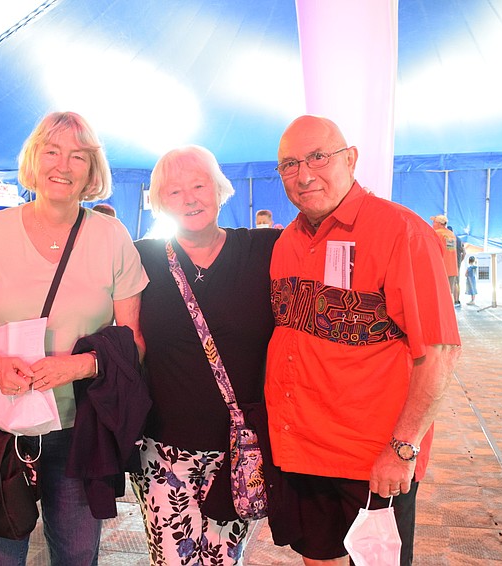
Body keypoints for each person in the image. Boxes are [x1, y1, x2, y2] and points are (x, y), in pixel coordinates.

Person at [267, 115, 461, 565]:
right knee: (316, 558)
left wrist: (403, 449)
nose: (304, 175)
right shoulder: (287, 242)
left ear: (351, 159)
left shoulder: (401, 232)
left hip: (373, 460)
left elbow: (439, 351)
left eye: (318, 157)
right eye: (290, 164)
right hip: (303, 452)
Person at [0, 111, 148, 565]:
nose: (62, 166)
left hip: (77, 428)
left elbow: (134, 342)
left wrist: (80, 365)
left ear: (91, 171)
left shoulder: (112, 237)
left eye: (78, 156)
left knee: (77, 555)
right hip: (0, 424)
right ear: (34, 158)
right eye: (52, 151)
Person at [131, 145, 280, 565]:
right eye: (174, 191)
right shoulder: (141, 258)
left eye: (199, 186)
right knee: (171, 559)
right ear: (160, 202)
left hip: (238, 450)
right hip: (163, 450)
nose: (190, 199)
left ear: (219, 189)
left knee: (223, 559)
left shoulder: (263, 249)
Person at [431, 214, 460, 306]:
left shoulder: (436, 233)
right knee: (448, 294)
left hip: (441, 269)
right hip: (452, 269)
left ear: (439, 223)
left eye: (434, 222)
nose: (432, 224)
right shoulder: (451, 234)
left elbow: (433, 250)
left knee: (439, 295)